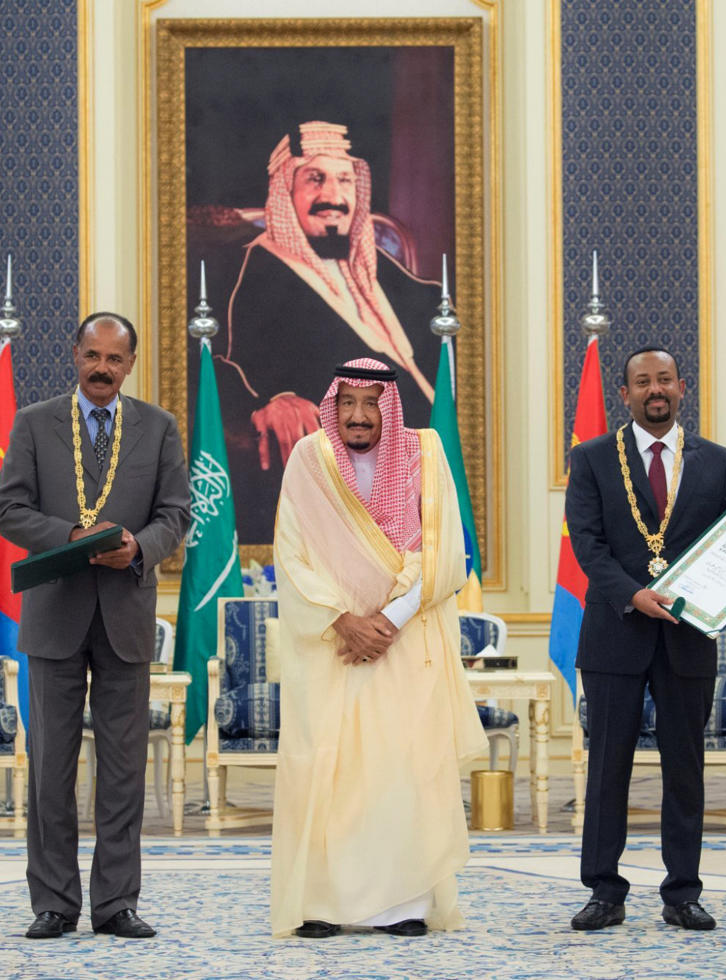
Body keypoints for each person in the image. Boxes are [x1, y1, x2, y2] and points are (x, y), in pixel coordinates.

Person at [270, 356, 486, 939]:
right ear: (332, 404)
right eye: (348, 403)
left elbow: (444, 555)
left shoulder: (426, 452)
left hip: (405, 640)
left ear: (387, 406)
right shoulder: (308, 459)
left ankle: (404, 906)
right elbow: (291, 555)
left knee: (402, 770)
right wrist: (344, 621)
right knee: (326, 770)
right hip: (329, 645)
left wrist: (385, 620)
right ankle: (320, 904)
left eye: (371, 403)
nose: (359, 416)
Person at [0, 312, 191, 940]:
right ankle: (53, 903)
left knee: (123, 770)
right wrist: (72, 538)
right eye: (92, 356)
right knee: (51, 766)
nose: (102, 368)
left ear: (130, 364)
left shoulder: (159, 428)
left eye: (115, 359)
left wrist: (137, 547)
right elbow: (9, 511)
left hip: (126, 615)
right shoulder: (33, 423)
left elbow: (177, 514)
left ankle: (115, 905)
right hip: (54, 615)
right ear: (73, 354)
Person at [565, 346, 726, 932]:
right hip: (615, 632)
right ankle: (604, 893)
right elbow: (587, 545)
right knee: (608, 765)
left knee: (685, 768)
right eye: (643, 382)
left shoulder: (716, 462)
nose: (654, 390)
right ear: (626, 394)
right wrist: (633, 595)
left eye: (664, 380)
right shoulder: (590, 459)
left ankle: (683, 893)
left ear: (681, 387)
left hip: (688, 636)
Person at [211, 120, 443, 544]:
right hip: (349, 481)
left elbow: (438, 321)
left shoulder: (372, 264)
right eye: (315, 179)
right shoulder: (258, 270)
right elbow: (223, 360)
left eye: (344, 180)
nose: (333, 197)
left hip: (429, 462)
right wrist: (272, 399)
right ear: (286, 192)